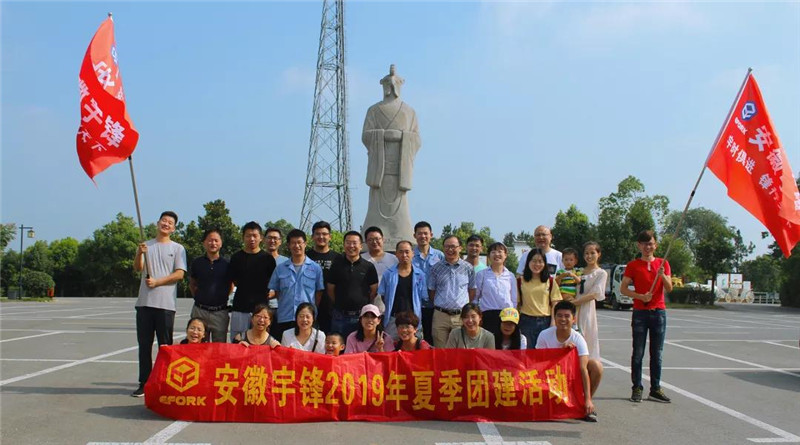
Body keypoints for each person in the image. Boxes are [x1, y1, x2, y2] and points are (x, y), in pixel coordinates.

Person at [361, 64, 421, 248]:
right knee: (376, 202)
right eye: (388, 83)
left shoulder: (409, 111)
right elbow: (366, 136)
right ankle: (372, 236)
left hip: (399, 166)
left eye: (395, 83)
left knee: (400, 203)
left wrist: (403, 137)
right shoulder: (373, 110)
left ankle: (401, 234)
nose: (391, 87)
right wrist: (383, 136)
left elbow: (416, 139)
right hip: (379, 167)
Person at [131, 211, 187, 398]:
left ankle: (164, 381)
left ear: (174, 228)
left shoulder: (177, 248)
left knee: (165, 346)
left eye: (170, 222)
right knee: (144, 345)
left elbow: (179, 274)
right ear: (158, 223)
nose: (166, 224)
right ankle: (144, 382)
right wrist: (140, 252)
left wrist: (158, 282)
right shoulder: (146, 245)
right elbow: (138, 268)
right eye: (164, 221)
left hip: (165, 305)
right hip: (145, 303)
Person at [621, 230, 673, 403]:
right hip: (640, 313)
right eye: (644, 244)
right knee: (638, 352)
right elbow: (624, 289)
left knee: (656, 353)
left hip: (658, 312)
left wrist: (662, 275)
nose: (647, 247)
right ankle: (637, 387)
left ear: (655, 245)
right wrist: (640, 296)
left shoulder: (663, 263)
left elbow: (670, 288)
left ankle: (655, 388)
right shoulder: (633, 265)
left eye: (650, 243)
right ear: (639, 246)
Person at [536, 300, 602, 422]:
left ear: (574, 319)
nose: (563, 319)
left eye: (567, 316)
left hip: (571, 378)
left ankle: (584, 405)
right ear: (554, 318)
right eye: (559, 316)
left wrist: (588, 399)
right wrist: (561, 353)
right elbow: (539, 364)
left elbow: (583, 369)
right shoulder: (544, 335)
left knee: (596, 366)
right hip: (550, 377)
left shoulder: (578, 339)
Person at [268, 229, 324, 342]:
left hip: (307, 319)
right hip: (285, 317)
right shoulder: (280, 268)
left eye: (299, 242)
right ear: (288, 245)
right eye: (293, 243)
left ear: (305, 244)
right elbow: (278, 292)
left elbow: (318, 293)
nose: (296, 246)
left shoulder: (315, 268)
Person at [228, 222, 277, 342]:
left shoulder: (268, 259)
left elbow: (275, 284)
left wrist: (271, 295)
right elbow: (231, 281)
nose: (252, 239)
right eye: (248, 236)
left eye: (255, 235)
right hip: (240, 309)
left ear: (261, 238)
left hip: (261, 311)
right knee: (237, 343)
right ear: (243, 237)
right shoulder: (236, 258)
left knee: (261, 344)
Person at [327, 231, 379, 337]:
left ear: (361, 246)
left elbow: (373, 290)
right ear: (344, 245)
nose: (351, 246)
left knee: (359, 346)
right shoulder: (336, 265)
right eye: (348, 242)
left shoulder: (368, 267)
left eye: (354, 243)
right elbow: (330, 289)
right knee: (339, 347)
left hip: (361, 316)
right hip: (340, 315)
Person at [428, 235, 477, 348]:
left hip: (460, 316)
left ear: (460, 248)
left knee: (460, 351)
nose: (450, 250)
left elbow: (472, 291)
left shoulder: (468, 268)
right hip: (440, 316)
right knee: (440, 352)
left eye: (453, 246)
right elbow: (432, 292)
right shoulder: (435, 268)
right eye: (447, 247)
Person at [188, 229, 231, 343]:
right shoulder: (197, 262)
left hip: (220, 312)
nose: (213, 243)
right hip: (200, 310)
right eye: (210, 240)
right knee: (198, 346)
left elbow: (230, 286)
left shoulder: (227, 264)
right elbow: (192, 283)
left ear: (221, 243)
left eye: (216, 240)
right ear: (204, 243)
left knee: (219, 347)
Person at [378, 240, 425, 341]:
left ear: (413, 253)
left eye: (407, 252)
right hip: (393, 320)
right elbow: (383, 295)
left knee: (414, 351)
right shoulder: (388, 274)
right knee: (391, 348)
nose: (404, 255)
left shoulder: (419, 275)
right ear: (396, 254)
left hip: (413, 320)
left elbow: (423, 297)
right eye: (401, 252)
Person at [518, 248, 562, 348]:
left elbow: (555, 303)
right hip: (526, 321)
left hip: (545, 322)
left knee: (543, 353)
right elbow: (517, 304)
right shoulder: (520, 281)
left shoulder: (550, 281)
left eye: (540, 261)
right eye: (533, 261)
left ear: (544, 263)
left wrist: (553, 322)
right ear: (528, 262)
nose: (537, 264)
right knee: (528, 353)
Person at [572, 242, 607, 361]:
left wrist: (576, 302)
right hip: (572, 310)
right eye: (586, 253)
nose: (589, 256)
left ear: (599, 254)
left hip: (587, 311)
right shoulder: (578, 271)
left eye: (592, 253)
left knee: (586, 339)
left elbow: (595, 294)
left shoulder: (601, 273)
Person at [475, 242, 517, 339]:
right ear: (489, 256)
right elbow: (475, 297)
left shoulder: (510, 276)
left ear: (505, 255)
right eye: (493, 252)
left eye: (500, 251)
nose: (497, 254)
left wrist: (512, 317)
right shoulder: (482, 274)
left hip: (506, 316)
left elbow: (514, 299)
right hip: (487, 315)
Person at [412, 221, 443, 345]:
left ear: (431, 235)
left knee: (432, 337)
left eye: (425, 233)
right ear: (414, 236)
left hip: (434, 305)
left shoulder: (439, 255)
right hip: (416, 303)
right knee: (416, 337)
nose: (423, 236)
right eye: (419, 234)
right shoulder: (410, 255)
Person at [306, 221, 340, 333]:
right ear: (312, 237)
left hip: (332, 308)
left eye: (324, 234)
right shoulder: (305, 257)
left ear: (330, 237)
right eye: (317, 234)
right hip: (309, 306)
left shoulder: (338, 258)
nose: (321, 237)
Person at [265, 227, 289, 310]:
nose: (272, 241)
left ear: (280, 241)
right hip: (260, 307)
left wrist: (274, 294)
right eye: (269, 238)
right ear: (264, 240)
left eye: (275, 238)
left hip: (280, 307)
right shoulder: (257, 260)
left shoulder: (287, 262)